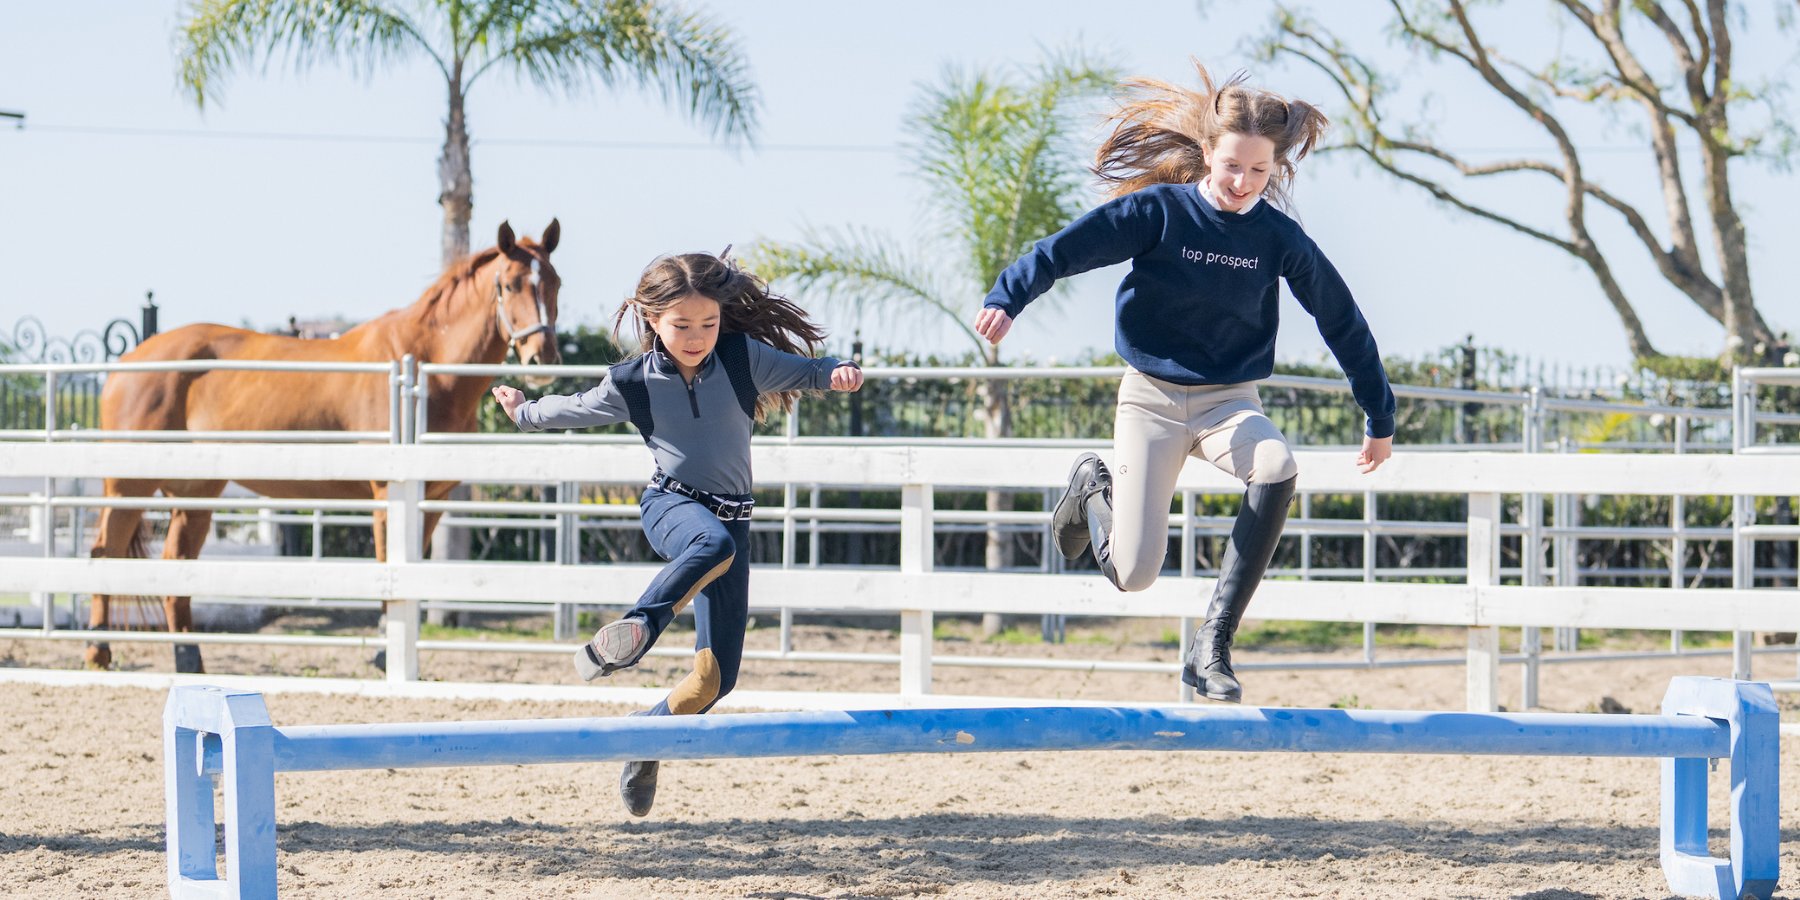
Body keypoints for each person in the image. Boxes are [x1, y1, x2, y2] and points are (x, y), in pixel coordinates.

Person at [973, 65, 1395, 704]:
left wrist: (1378, 412)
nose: (1241, 183)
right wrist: (1010, 296)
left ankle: (1211, 647)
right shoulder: (1158, 213)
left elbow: (1341, 318)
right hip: (1151, 400)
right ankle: (1092, 488)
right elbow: (1066, 249)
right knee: (1135, 572)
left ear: (1274, 168)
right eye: (1231, 166)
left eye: (1258, 172)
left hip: (1229, 403)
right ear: (1207, 151)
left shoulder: (1278, 238)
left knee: (1278, 465)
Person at [491, 250, 864, 816]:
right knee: (708, 544)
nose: (697, 337)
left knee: (715, 682)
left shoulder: (741, 359)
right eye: (682, 326)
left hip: (734, 521)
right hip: (672, 505)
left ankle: (647, 739)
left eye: (708, 324)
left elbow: (810, 370)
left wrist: (837, 372)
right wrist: (523, 412)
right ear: (652, 320)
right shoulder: (634, 381)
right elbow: (574, 408)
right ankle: (636, 631)